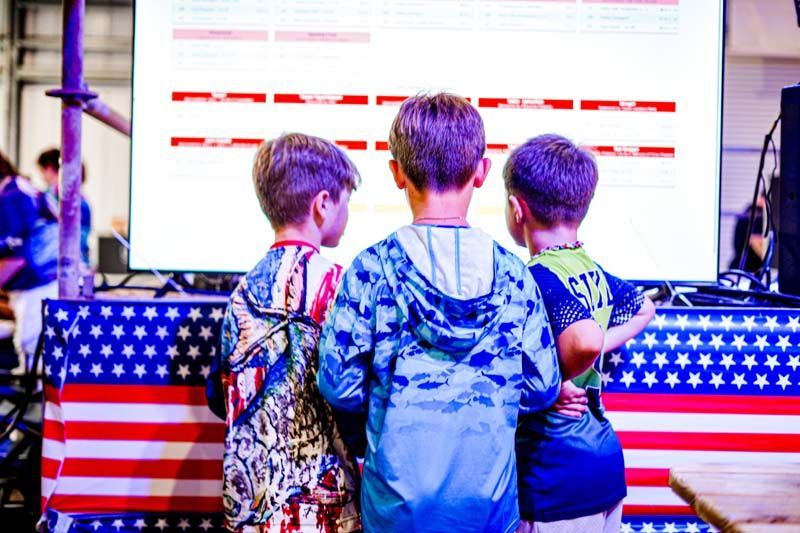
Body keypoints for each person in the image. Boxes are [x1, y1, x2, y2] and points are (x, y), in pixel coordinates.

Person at [317, 93, 561, 532]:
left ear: (396, 172)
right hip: (488, 511)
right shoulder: (514, 274)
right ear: (482, 172)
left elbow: (339, 386)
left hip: (396, 511)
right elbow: (543, 387)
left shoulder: (370, 270)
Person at [209, 133, 361, 532]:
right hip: (323, 508)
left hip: (251, 504)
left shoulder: (243, 292)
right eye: (347, 201)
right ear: (323, 205)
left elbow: (216, 394)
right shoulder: (340, 286)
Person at [503, 134, 655, 533]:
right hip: (602, 464)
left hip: (555, 477)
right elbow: (645, 308)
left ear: (517, 210)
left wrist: (553, 383)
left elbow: (586, 340)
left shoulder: (537, 276)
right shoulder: (587, 265)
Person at [0, 151, 58, 373]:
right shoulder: (18, 187)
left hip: (38, 286)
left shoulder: (11, 197)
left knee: (32, 356)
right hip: (40, 283)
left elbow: (17, 257)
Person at [37, 148, 92, 266]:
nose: (42, 177)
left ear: (50, 169)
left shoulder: (79, 204)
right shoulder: (49, 196)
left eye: (43, 171)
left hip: (73, 263)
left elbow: (77, 240)